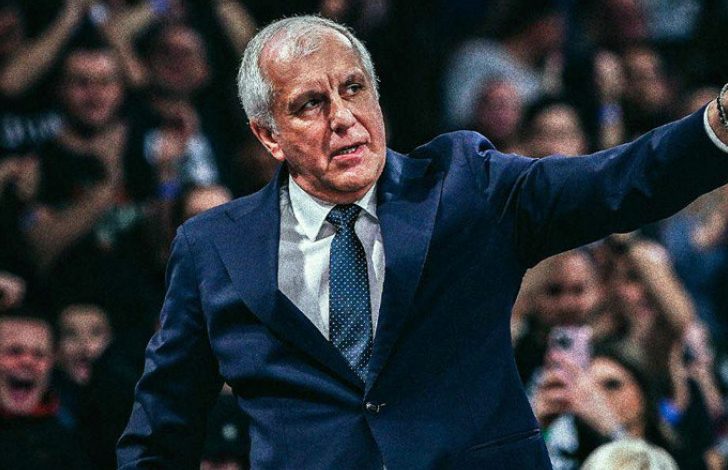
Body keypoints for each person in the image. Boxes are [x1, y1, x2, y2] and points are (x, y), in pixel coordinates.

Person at [118, 15, 728, 469]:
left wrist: (718, 122)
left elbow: (619, 182)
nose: (343, 117)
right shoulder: (213, 246)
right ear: (268, 136)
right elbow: (162, 428)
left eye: (354, 88)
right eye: (310, 104)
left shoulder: (466, 185)